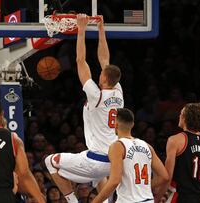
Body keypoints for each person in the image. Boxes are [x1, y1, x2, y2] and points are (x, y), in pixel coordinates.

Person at [45, 13, 123, 203]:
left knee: (50, 162)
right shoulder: (118, 91)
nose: (100, 73)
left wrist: (81, 29)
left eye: (102, 74)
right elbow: (105, 59)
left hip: (96, 160)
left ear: (104, 78)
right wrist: (101, 28)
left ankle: (72, 202)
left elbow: (81, 61)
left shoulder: (96, 95)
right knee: (99, 179)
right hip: (112, 160)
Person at [92, 108, 169, 203]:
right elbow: (164, 176)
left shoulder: (117, 146)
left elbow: (114, 181)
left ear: (115, 125)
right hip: (148, 200)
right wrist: (144, 186)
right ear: (132, 125)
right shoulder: (147, 146)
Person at [162, 103, 200, 203]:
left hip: (182, 196)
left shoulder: (175, 140)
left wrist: (157, 196)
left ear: (185, 117)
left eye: (181, 113)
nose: (179, 116)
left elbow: (167, 177)